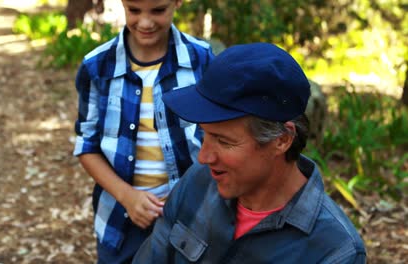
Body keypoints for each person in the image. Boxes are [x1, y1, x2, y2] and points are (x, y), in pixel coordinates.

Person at [133, 43, 367, 263]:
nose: (204, 157)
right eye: (205, 134)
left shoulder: (335, 250)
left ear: (282, 140)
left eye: (224, 142)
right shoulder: (197, 182)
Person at [72, 0, 214, 263]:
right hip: (120, 220)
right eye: (134, 11)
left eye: (158, 10)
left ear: (177, 3)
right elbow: (87, 146)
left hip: (191, 217)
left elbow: (215, 139)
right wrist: (127, 196)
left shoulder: (201, 60)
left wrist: (182, 195)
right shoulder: (97, 66)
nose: (145, 23)